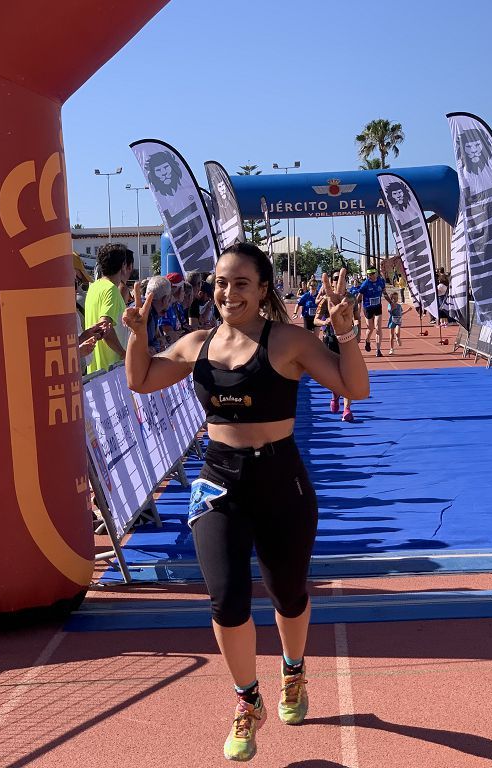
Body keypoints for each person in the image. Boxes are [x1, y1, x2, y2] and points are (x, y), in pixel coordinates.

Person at [123, 242, 368, 761]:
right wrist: (136, 336)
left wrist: (344, 332)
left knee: (288, 593)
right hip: (218, 483)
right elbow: (140, 380)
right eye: (220, 282)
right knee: (226, 599)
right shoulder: (196, 344)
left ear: (262, 290)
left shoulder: (290, 342)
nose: (227, 292)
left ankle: (294, 670)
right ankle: (247, 699)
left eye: (239, 283)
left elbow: (355, 387)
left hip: (282, 480)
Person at [84, 244, 134, 373]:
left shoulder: (94, 287)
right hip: (110, 369)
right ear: (123, 265)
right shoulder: (111, 290)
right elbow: (104, 326)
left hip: (95, 368)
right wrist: (123, 353)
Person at [315, 292, 360, 421]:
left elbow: (357, 317)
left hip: (347, 338)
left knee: (348, 374)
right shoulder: (326, 300)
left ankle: (347, 409)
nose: (337, 281)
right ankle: (335, 396)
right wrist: (325, 321)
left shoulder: (351, 298)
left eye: (339, 278)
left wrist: (358, 329)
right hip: (330, 340)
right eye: (335, 278)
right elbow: (315, 320)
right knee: (335, 374)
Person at [355, 267, 387, 357]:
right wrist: (355, 308)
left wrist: (391, 302)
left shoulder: (381, 281)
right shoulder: (365, 284)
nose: (370, 276)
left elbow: (384, 293)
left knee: (378, 327)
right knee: (370, 328)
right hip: (368, 308)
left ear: (375, 274)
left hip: (377, 307)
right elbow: (359, 297)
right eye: (369, 274)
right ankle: (367, 341)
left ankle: (378, 349)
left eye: (372, 274)